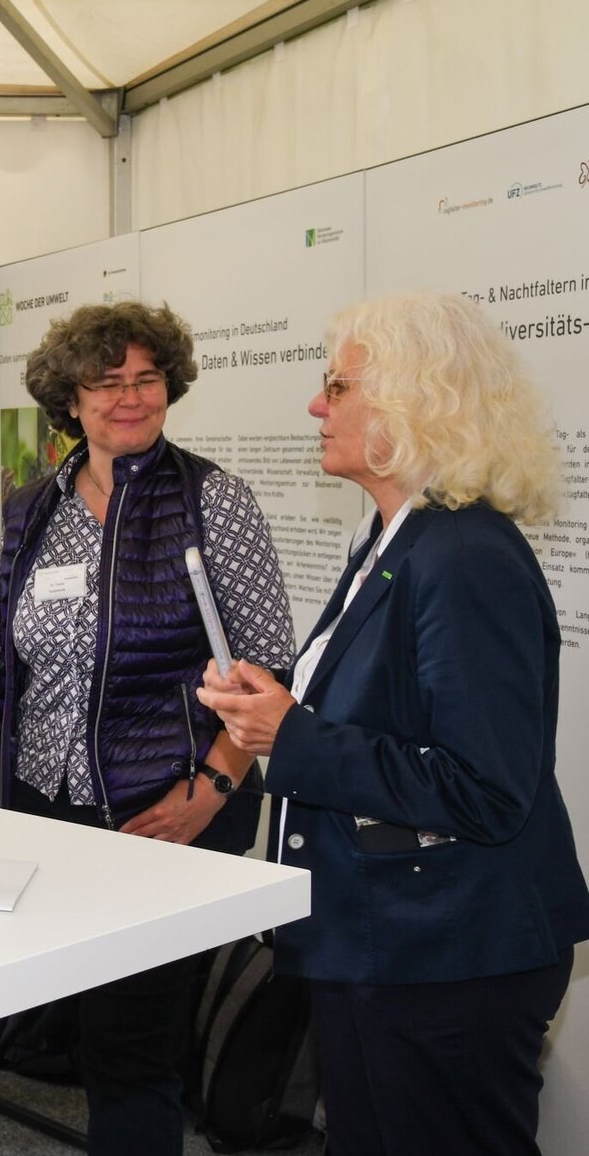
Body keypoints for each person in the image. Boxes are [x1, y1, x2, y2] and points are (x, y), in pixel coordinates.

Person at [0, 300, 295, 1156]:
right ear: (70, 398)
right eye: (107, 383)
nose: (130, 398)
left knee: (135, 1051)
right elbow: (12, 641)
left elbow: (268, 668)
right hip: (49, 814)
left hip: (162, 813)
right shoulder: (35, 505)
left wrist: (205, 793)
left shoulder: (214, 499)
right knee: (95, 1036)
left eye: (146, 379)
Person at [198, 293, 589, 1156]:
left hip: (450, 957)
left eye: (337, 386)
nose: (315, 405)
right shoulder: (396, 537)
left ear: (418, 401)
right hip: (398, 944)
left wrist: (287, 736)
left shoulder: (464, 555)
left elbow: (484, 788)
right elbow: (387, 716)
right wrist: (281, 706)